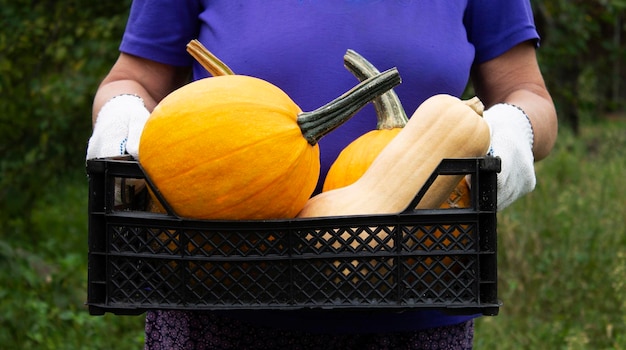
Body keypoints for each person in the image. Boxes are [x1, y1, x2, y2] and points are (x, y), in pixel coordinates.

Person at [86, 1, 558, 349]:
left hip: (418, 303)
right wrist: (123, 123)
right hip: (214, 295)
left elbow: (526, 90)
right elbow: (134, 79)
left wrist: (510, 133)